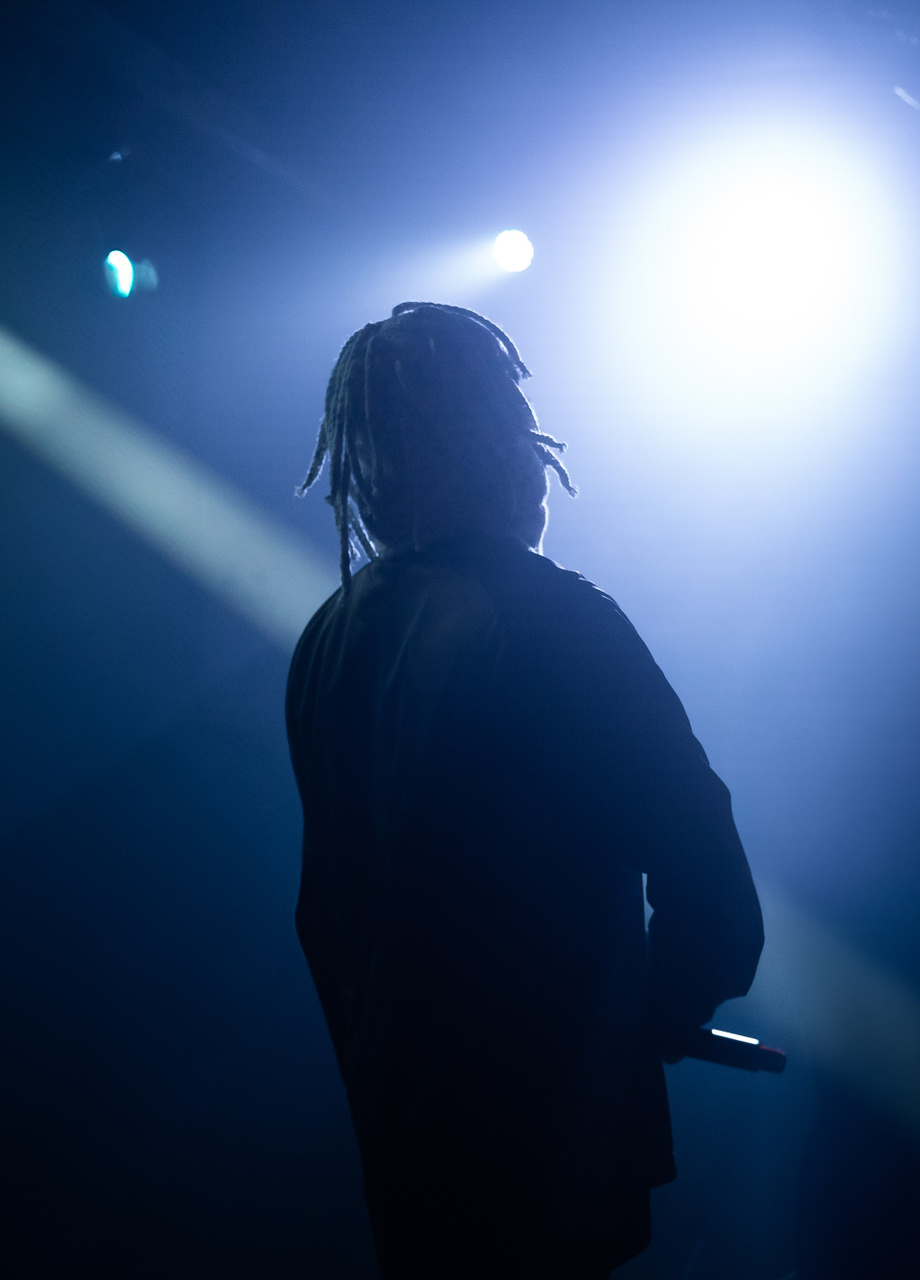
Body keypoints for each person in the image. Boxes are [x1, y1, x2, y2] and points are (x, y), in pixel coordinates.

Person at [285, 302, 764, 1278]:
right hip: (548, 1145)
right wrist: (664, 1008)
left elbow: (321, 916)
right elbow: (706, 868)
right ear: (501, 443)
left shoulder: (327, 643)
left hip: (407, 1147)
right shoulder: (550, 617)